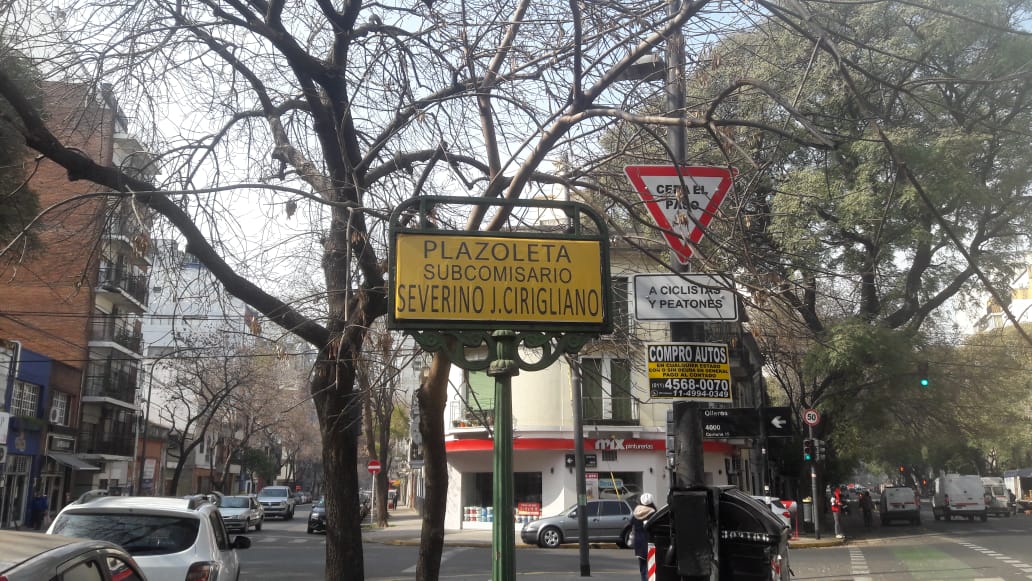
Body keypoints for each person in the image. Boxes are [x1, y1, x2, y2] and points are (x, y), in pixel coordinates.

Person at [632, 493, 657, 581]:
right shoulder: (653, 512)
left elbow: (631, 523)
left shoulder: (636, 511)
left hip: (639, 543)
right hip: (650, 542)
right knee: (651, 568)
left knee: (642, 568)